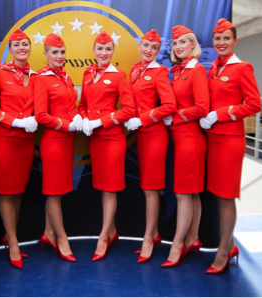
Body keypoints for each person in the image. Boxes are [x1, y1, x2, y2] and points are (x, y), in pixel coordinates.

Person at [200, 18, 261, 274]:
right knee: (216, 196)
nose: (221, 42)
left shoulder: (242, 67)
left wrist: (221, 114)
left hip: (229, 142)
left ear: (235, 41)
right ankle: (231, 243)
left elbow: (254, 104)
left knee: (226, 197)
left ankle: (224, 252)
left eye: (226, 38)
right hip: (211, 140)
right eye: (217, 38)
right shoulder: (212, 68)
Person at [0, 29, 38, 269]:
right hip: (5, 139)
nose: (22, 48)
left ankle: (10, 235)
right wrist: (14, 120)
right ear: (10, 49)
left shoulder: (36, 77)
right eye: (17, 45)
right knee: (6, 191)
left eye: (25, 44)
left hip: (26, 142)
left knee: (17, 191)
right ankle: (13, 242)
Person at [79, 31, 136, 261]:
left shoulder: (119, 75)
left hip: (112, 138)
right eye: (100, 49)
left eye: (108, 49)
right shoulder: (87, 73)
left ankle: (103, 236)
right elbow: (82, 104)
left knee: (110, 187)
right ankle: (111, 231)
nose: (104, 53)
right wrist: (83, 118)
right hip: (95, 138)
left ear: (113, 51)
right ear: (94, 50)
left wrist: (100, 121)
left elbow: (129, 110)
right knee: (103, 187)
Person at [124, 29, 176, 263]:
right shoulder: (135, 69)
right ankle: (153, 234)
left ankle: (148, 238)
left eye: (153, 47)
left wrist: (142, 118)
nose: (148, 50)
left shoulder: (159, 71)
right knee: (147, 187)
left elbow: (169, 106)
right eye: (145, 45)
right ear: (140, 46)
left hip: (154, 135)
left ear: (158, 51)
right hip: (141, 136)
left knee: (151, 188)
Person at [162, 25, 209, 268]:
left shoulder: (196, 70)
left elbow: (202, 108)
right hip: (182, 138)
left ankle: (178, 244)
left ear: (193, 44)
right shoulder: (179, 71)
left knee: (182, 193)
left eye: (183, 42)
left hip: (189, 138)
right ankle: (193, 238)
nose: (179, 47)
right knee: (191, 193)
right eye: (176, 43)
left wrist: (176, 116)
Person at [34, 33, 83, 262]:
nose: (60, 56)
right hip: (53, 142)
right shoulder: (42, 79)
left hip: (67, 142)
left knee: (59, 191)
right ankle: (62, 239)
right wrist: (67, 124)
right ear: (45, 54)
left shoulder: (66, 77)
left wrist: (78, 118)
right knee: (54, 193)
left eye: (62, 52)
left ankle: (48, 233)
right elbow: (41, 115)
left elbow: (70, 106)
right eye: (55, 52)